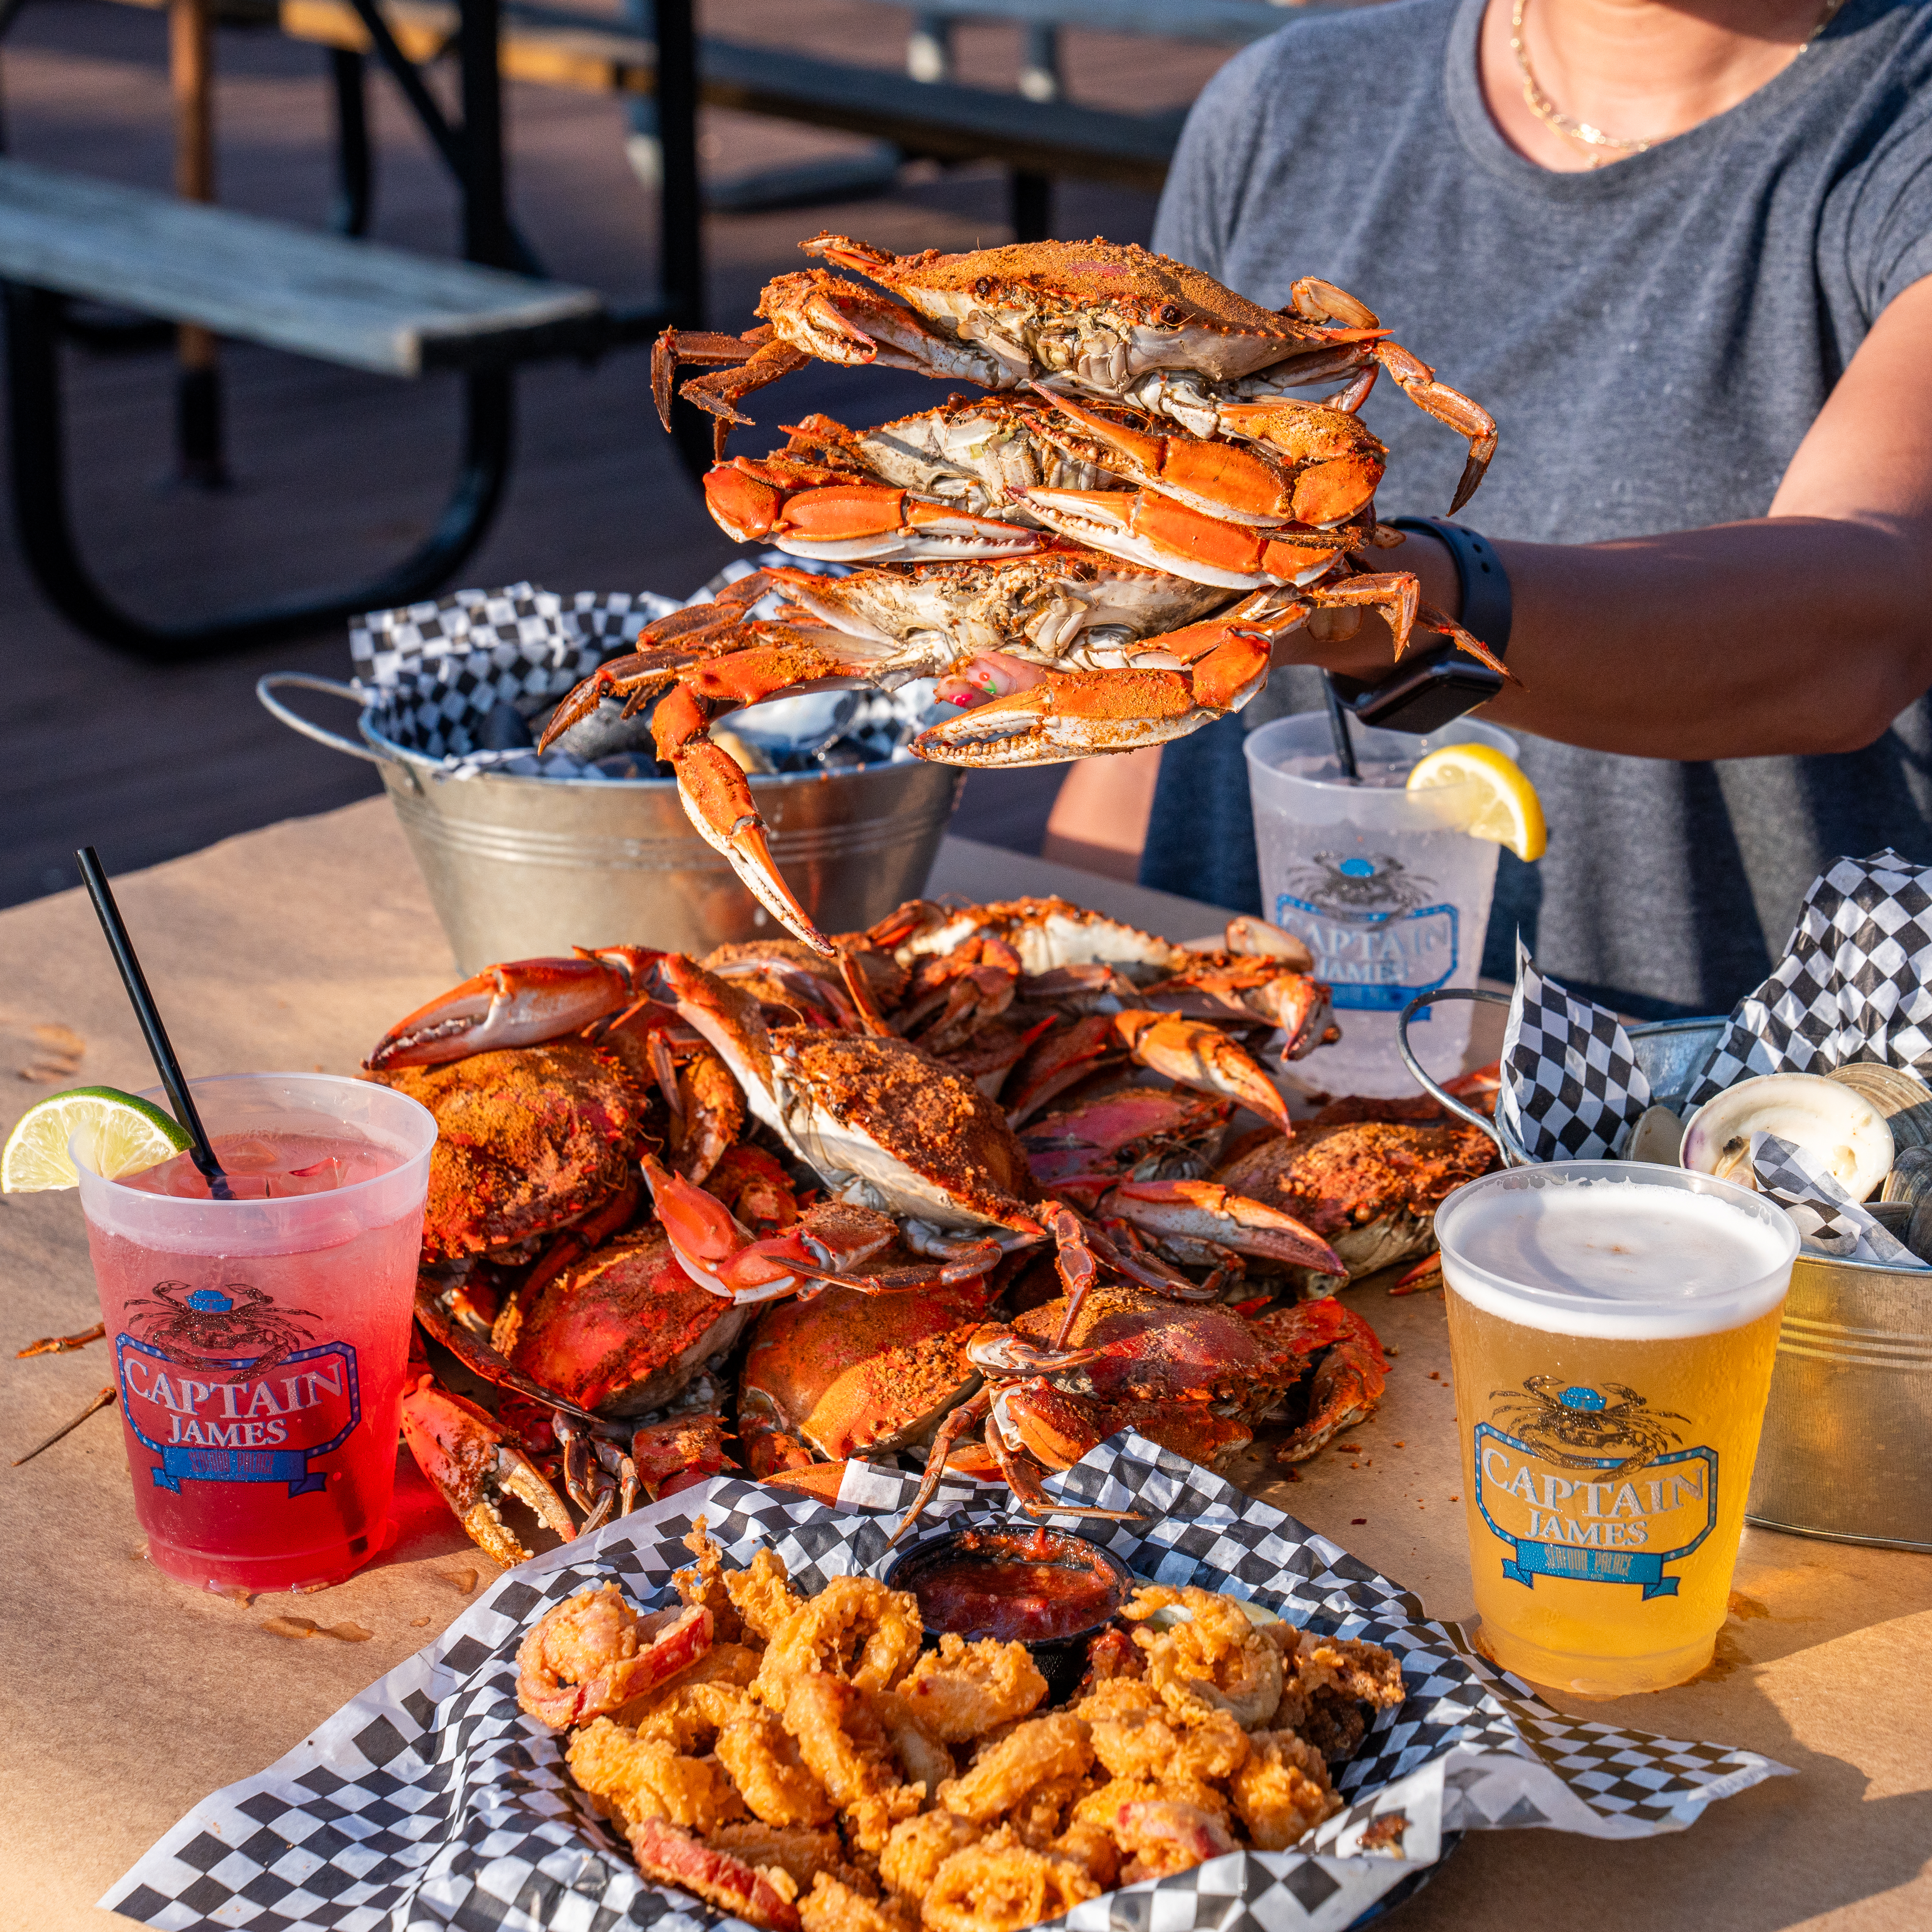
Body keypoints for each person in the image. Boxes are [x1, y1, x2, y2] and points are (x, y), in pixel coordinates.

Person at [1048, 0, 1932, 1018]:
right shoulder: (1281, 103)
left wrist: (1372, 603)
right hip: (1224, 1081)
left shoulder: (1893, 118)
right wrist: (1049, 977)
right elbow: (1133, 693)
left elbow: (1861, 624)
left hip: (1701, 1125)